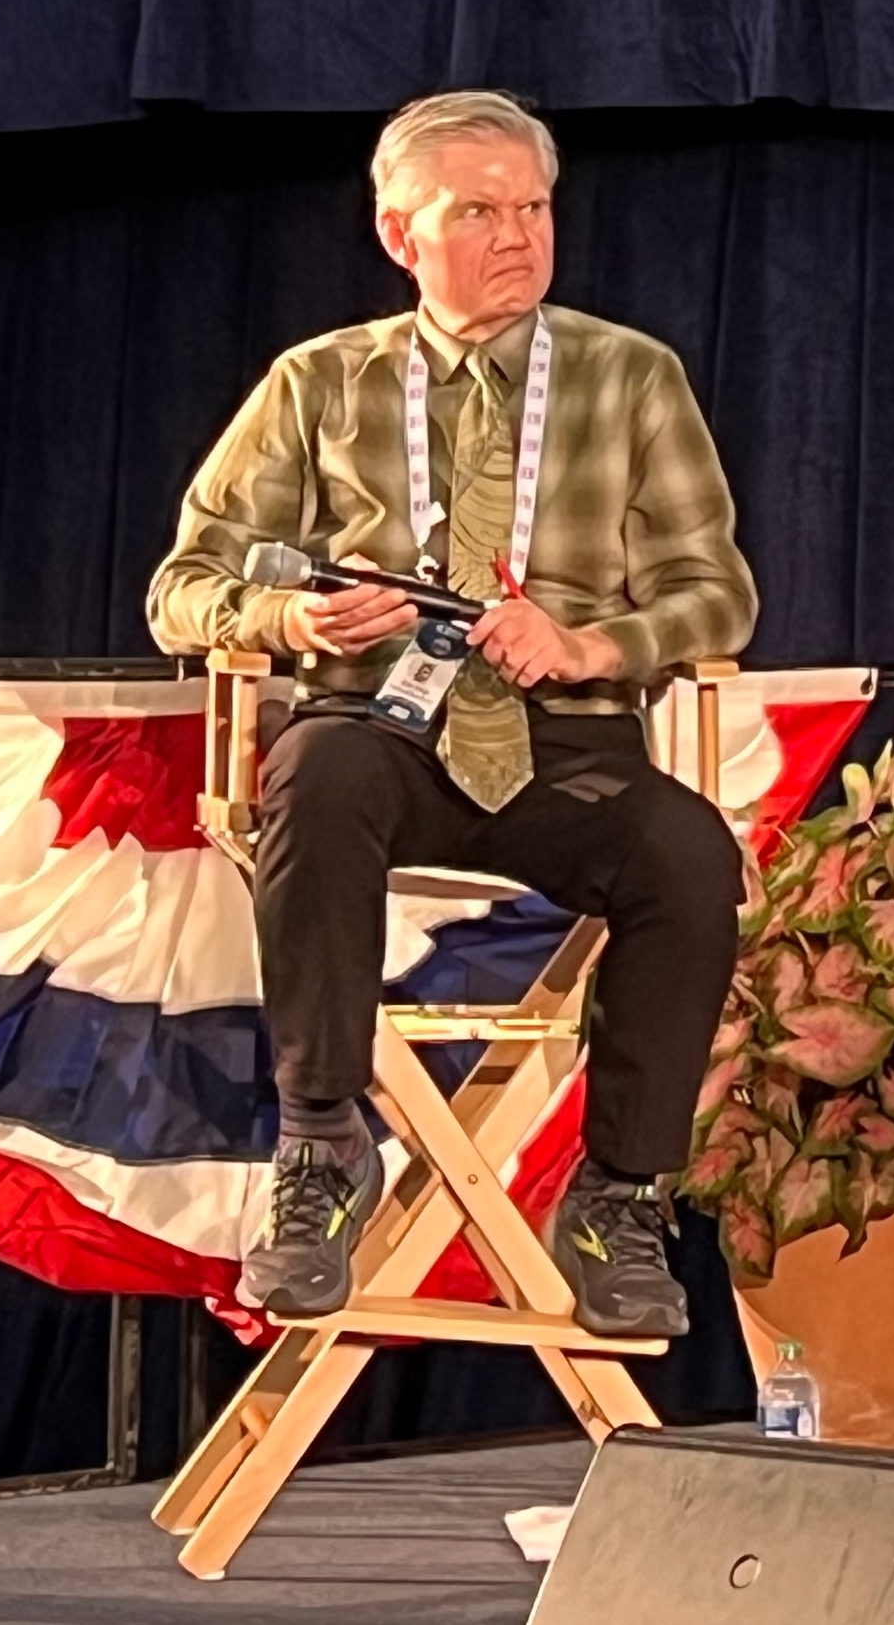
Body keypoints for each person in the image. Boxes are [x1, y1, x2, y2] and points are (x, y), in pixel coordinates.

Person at [149, 90, 756, 1340]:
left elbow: (717, 595)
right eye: (479, 211)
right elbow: (183, 587)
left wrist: (592, 639)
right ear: (399, 234)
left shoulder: (631, 375)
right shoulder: (317, 384)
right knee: (315, 777)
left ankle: (619, 1194)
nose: (519, 235)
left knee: (689, 854)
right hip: (380, 728)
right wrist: (292, 625)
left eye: (532, 207)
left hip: (565, 740)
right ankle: (321, 1152)